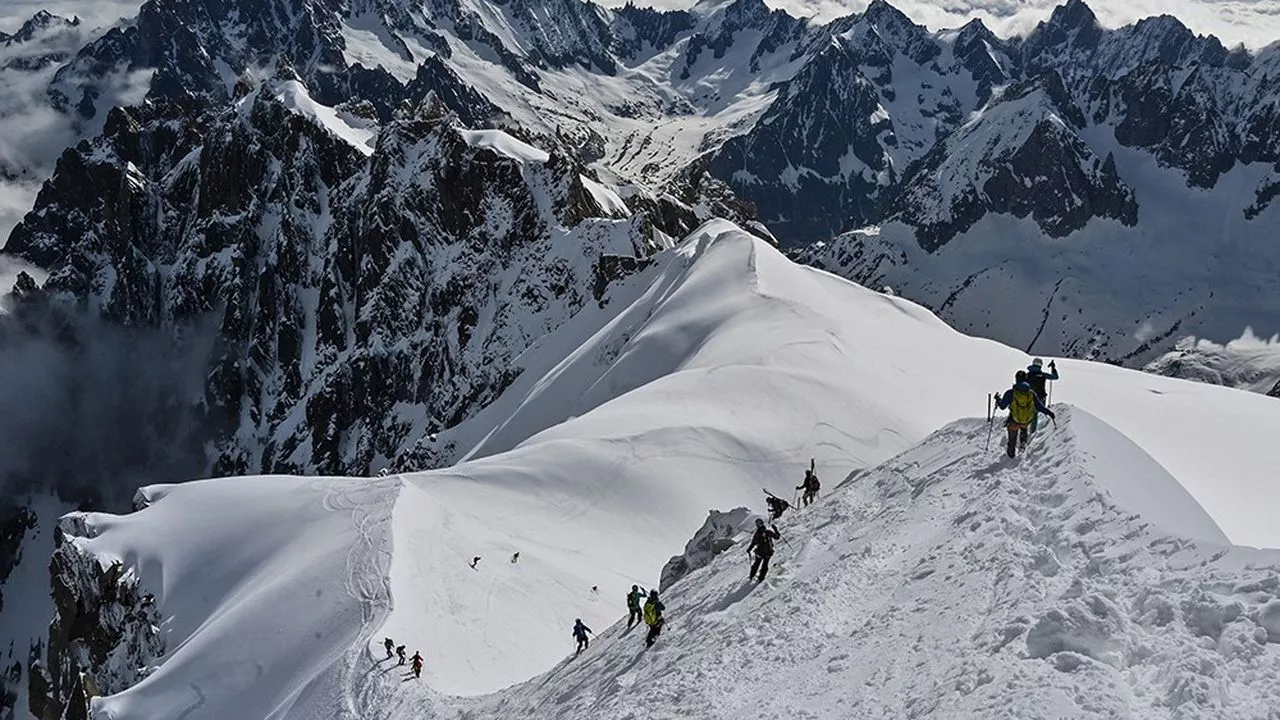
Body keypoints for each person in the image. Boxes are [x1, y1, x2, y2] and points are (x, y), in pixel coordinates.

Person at [994, 371, 1055, 458]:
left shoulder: (1011, 393)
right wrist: (1049, 413)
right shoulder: (1031, 393)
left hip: (1014, 419)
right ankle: (1022, 451)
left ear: (1016, 379)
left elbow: (1002, 406)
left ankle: (1011, 456)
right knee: (1023, 430)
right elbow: (1039, 407)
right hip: (1026, 420)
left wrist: (998, 400)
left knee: (1012, 439)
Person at [1025, 359, 1059, 433]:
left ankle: (1024, 431)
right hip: (1040, 399)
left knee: (1028, 414)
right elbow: (1055, 377)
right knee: (1035, 414)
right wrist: (1053, 368)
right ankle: (1032, 432)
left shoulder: (1027, 375)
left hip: (1028, 398)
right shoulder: (1043, 375)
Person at [747, 518, 781, 582]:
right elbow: (777, 537)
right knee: (765, 565)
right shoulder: (768, 532)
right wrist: (775, 529)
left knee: (756, 564)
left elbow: (753, 543)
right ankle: (761, 578)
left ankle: (752, 576)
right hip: (768, 551)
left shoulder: (757, 534)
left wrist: (749, 549)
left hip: (760, 552)